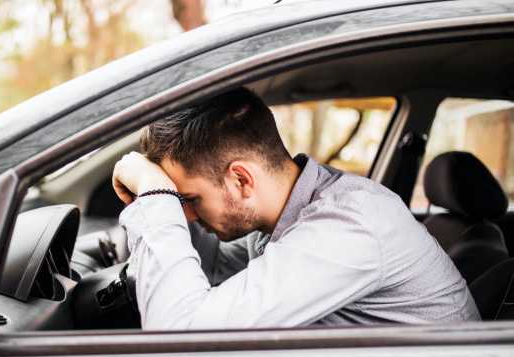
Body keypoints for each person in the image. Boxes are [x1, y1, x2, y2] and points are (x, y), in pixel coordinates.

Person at [112, 87, 480, 330]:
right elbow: (212, 264)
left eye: (189, 200)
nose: (187, 215)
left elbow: (177, 339)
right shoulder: (286, 214)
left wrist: (155, 198)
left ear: (241, 181)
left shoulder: (349, 225)